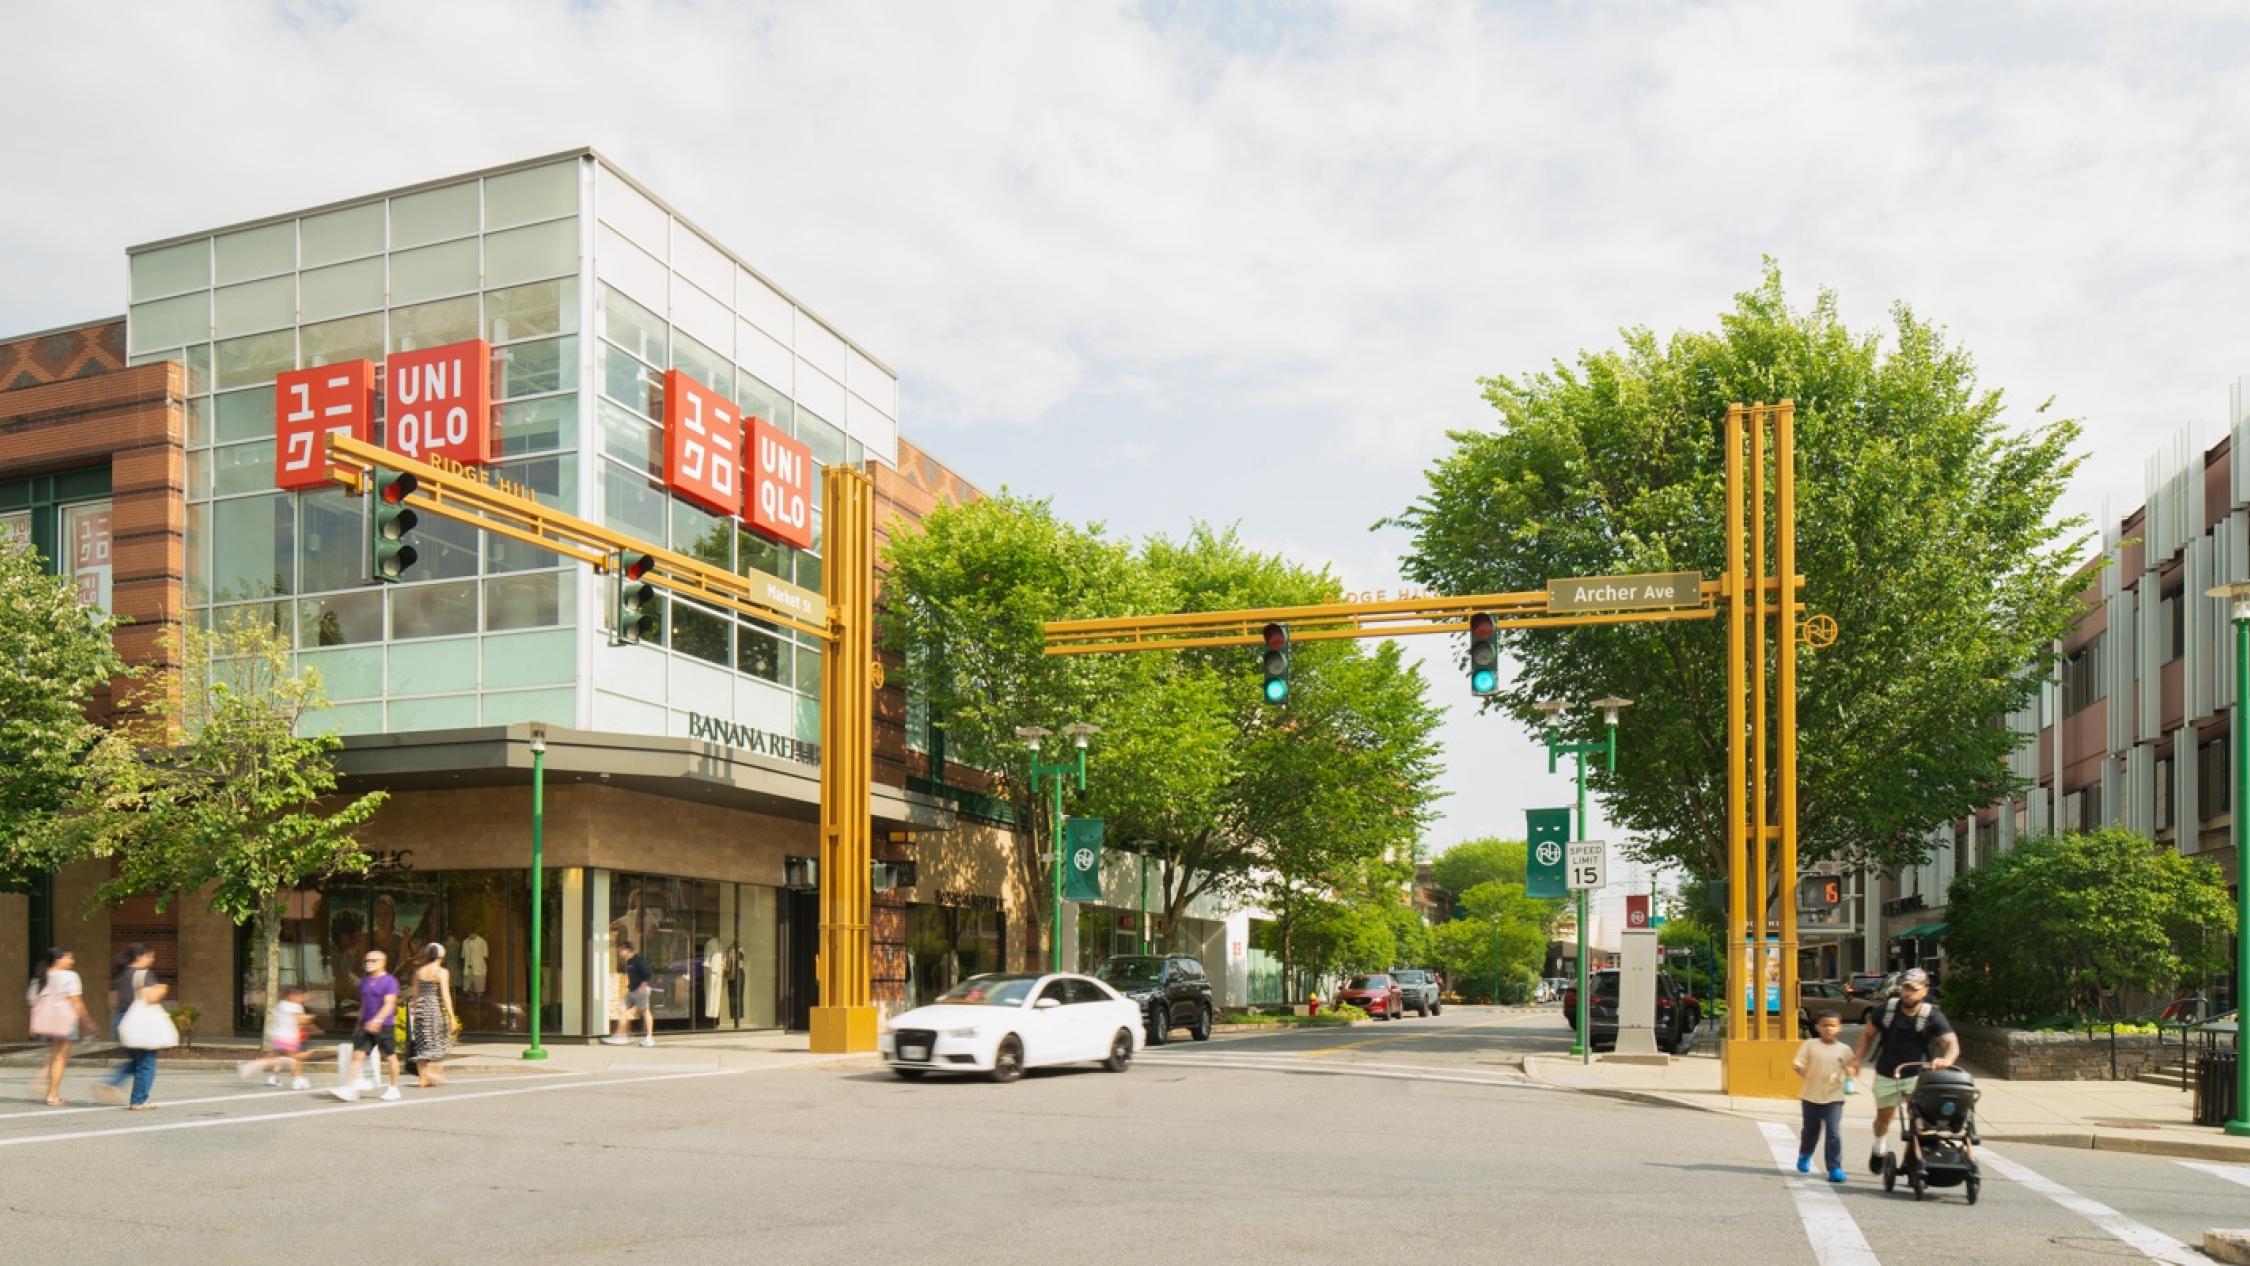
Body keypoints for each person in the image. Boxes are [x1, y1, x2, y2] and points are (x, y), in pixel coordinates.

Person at [1846, 966, 1959, 1174]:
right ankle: (1879, 1146)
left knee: (1918, 1120)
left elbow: (1951, 1043)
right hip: (1888, 1072)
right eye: (1906, 988)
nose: (1908, 993)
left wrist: (1946, 1059)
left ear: (1924, 991)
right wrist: (1856, 1060)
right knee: (1884, 1119)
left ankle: (1912, 1158)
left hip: (1917, 1075)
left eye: (1914, 989)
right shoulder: (1887, 1010)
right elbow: (1867, 1034)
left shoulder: (1932, 1015)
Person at [94, 945, 166, 1110]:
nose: (152, 960)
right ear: (139, 957)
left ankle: (111, 1083)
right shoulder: (144, 974)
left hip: (121, 1019)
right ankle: (138, 1100)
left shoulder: (119, 976)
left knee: (137, 1060)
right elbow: (150, 998)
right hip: (140, 1021)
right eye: (150, 956)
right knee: (147, 1062)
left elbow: (112, 1000)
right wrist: (162, 989)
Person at [333, 948, 402, 1102]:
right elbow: (363, 1004)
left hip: (384, 1025)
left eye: (373, 961)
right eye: (367, 961)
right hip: (365, 1026)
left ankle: (394, 1088)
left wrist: (377, 1021)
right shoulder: (364, 981)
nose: (368, 963)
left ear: (383, 962)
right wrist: (359, 1023)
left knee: (390, 1056)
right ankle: (348, 1087)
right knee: (357, 1055)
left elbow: (389, 1004)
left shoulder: (390, 981)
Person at [27, 947, 94, 1106]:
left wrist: (31, 1024)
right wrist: (87, 1021)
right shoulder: (70, 976)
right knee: (60, 1057)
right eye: (69, 958)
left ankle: (47, 1086)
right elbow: (76, 1000)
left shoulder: (40, 977)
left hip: (46, 1020)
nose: (72, 961)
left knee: (55, 1054)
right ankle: (52, 1095)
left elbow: (32, 1002)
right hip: (65, 1020)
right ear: (58, 959)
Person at [1792, 1010, 1852, 1183]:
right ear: (1817, 1027)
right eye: (1824, 1025)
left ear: (1839, 1028)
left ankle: (1834, 1168)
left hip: (1834, 1098)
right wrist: (1801, 1069)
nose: (1828, 1029)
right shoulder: (1810, 1044)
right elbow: (1797, 1062)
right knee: (1810, 1131)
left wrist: (1851, 1071)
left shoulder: (1844, 1049)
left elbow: (1853, 1067)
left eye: (1832, 1025)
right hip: (1810, 1096)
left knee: (1833, 1133)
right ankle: (1805, 1154)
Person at [239, 983, 315, 1090]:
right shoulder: (296, 1007)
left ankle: (254, 1067)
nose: (301, 998)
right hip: (289, 1037)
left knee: (278, 1057)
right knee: (296, 1058)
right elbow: (301, 1020)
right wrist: (311, 1017)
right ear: (292, 995)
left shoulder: (280, 1004)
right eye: (299, 995)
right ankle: (296, 1080)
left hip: (277, 1036)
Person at [408, 943, 456, 1088]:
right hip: (433, 1008)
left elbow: (415, 996)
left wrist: (414, 1012)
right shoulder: (441, 972)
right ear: (441, 956)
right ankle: (434, 1073)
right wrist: (451, 1016)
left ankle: (423, 1078)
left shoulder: (418, 972)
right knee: (436, 1040)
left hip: (421, 1009)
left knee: (422, 1044)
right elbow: (445, 996)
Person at [602, 941, 655, 1047]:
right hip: (632, 991)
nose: (620, 953)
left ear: (627, 950)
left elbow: (648, 973)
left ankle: (649, 1038)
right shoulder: (629, 962)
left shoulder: (637, 960)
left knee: (645, 1012)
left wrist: (642, 987)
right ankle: (622, 1036)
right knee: (622, 1008)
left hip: (641, 990)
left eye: (621, 950)